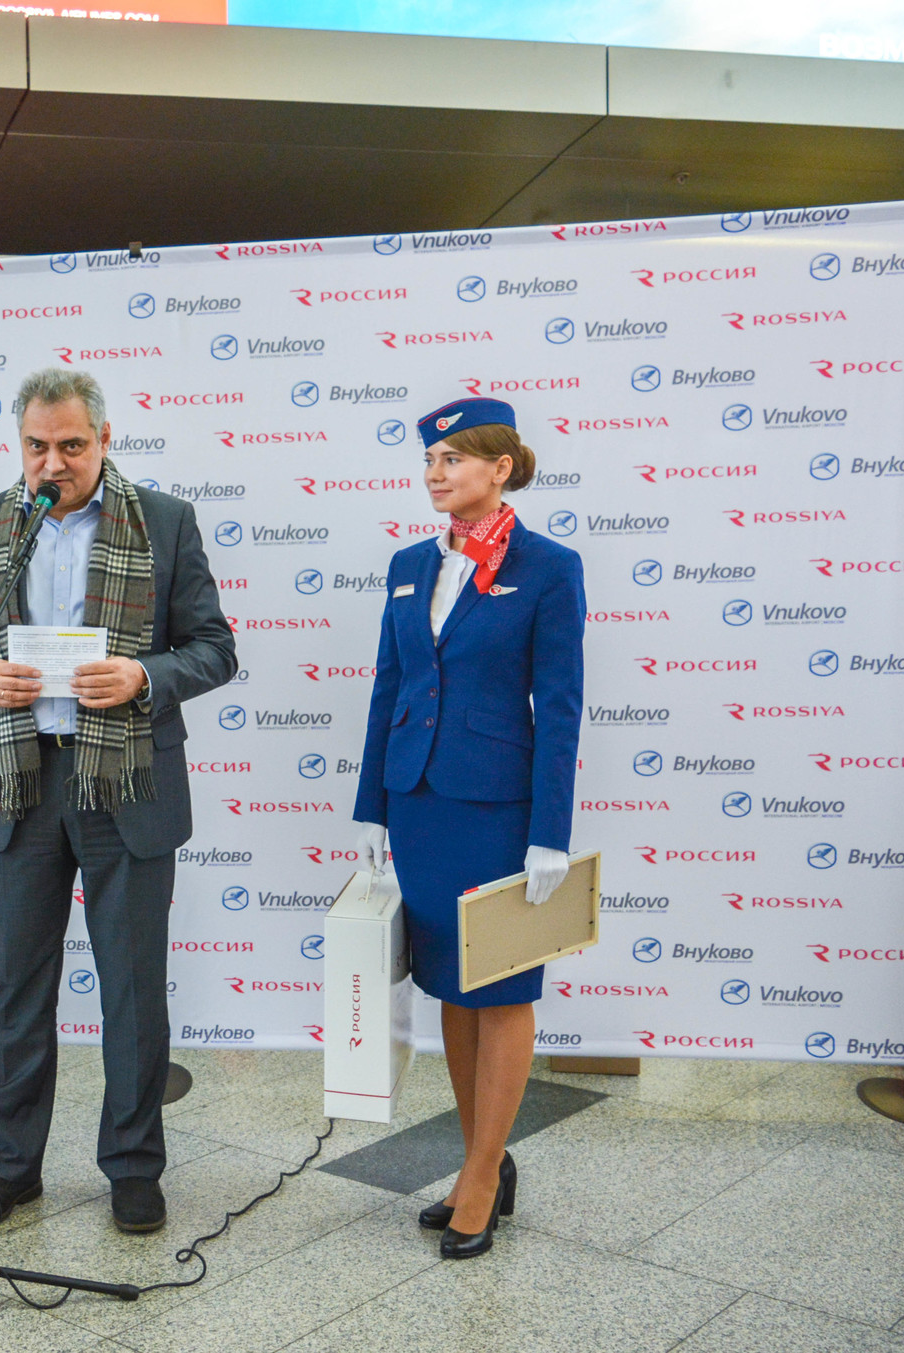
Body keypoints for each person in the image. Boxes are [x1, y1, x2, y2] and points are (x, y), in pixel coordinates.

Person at [0, 367, 237, 1235]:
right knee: (19, 989)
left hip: (126, 782)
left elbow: (215, 648)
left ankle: (133, 1167)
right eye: (36, 446)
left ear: (104, 440)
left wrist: (144, 674)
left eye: (70, 445)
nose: (51, 463)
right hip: (19, 784)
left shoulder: (164, 521)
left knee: (132, 990)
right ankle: (10, 1167)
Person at [353, 397, 584, 1259]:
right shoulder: (410, 564)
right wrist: (372, 802)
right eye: (429, 459)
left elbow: (560, 706)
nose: (435, 473)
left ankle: (482, 1176)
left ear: (501, 466)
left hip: (498, 812)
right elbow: (388, 685)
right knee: (451, 986)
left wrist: (550, 830)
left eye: (452, 458)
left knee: (504, 990)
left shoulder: (549, 568)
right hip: (419, 804)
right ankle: (480, 1154)